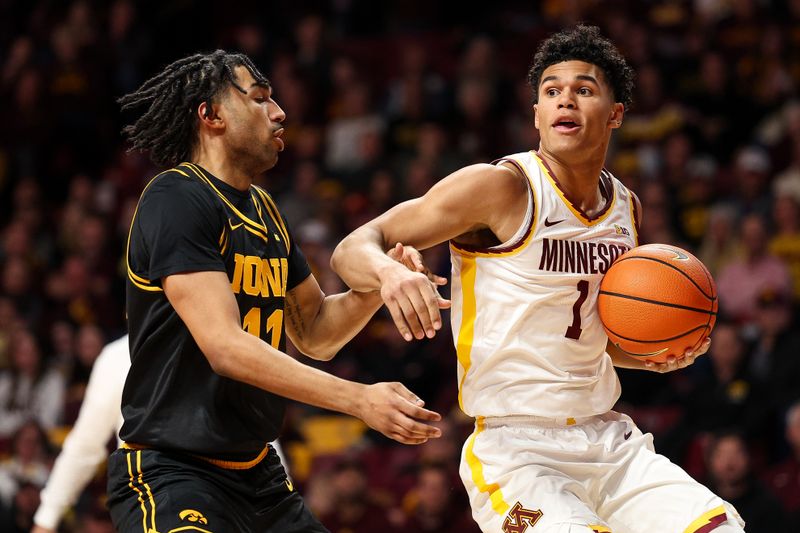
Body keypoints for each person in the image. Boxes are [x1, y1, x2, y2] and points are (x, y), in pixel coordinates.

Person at [332, 25, 745, 532]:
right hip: (518, 449)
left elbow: (584, 331)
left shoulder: (625, 209)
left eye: (583, 89)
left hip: (610, 441)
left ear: (615, 114)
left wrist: (653, 356)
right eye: (551, 91)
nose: (564, 99)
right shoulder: (500, 187)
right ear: (536, 114)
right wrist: (389, 274)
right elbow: (352, 247)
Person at [107, 50, 441, 533]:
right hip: (172, 472)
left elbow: (316, 334)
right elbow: (224, 346)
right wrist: (358, 399)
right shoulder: (176, 196)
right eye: (261, 99)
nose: (279, 112)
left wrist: (375, 288)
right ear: (211, 115)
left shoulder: (265, 210)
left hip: (259, 477)